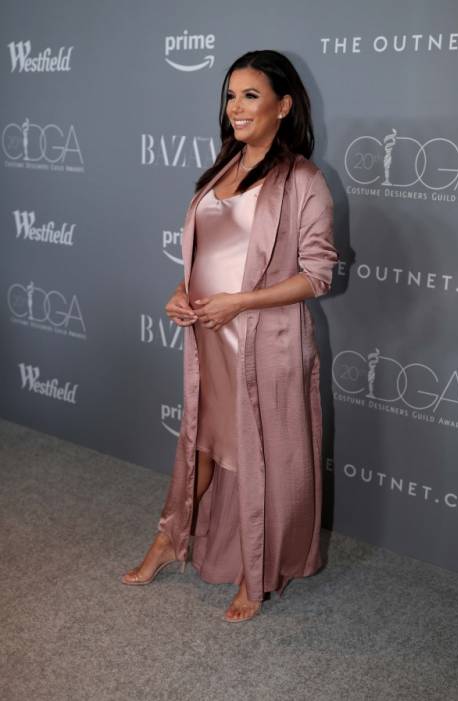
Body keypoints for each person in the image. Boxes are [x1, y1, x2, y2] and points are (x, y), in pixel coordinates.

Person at [122, 49, 339, 623]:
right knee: (203, 443)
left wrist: (239, 303)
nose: (235, 107)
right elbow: (210, 253)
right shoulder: (222, 168)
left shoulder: (304, 180)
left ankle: (255, 570)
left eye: (250, 95)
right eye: (230, 96)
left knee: (259, 454)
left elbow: (318, 274)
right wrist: (181, 290)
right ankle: (170, 537)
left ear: (283, 106)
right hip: (210, 339)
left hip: (265, 344)